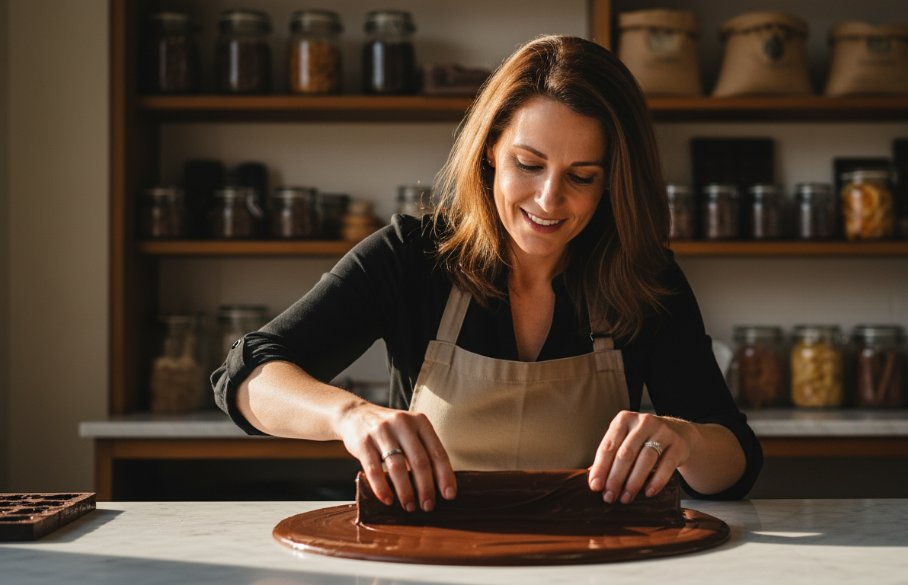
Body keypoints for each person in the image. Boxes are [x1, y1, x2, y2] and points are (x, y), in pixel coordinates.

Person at [212, 35, 762, 514]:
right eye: (528, 164)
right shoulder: (412, 257)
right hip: (429, 560)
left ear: (613, 183)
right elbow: (245, 378)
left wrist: (685, 439)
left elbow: (733, 465)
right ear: (490, 152)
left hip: (589, 562)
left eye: (583, 176)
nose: (550, 199)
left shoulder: (642, 275)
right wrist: (351, 416)